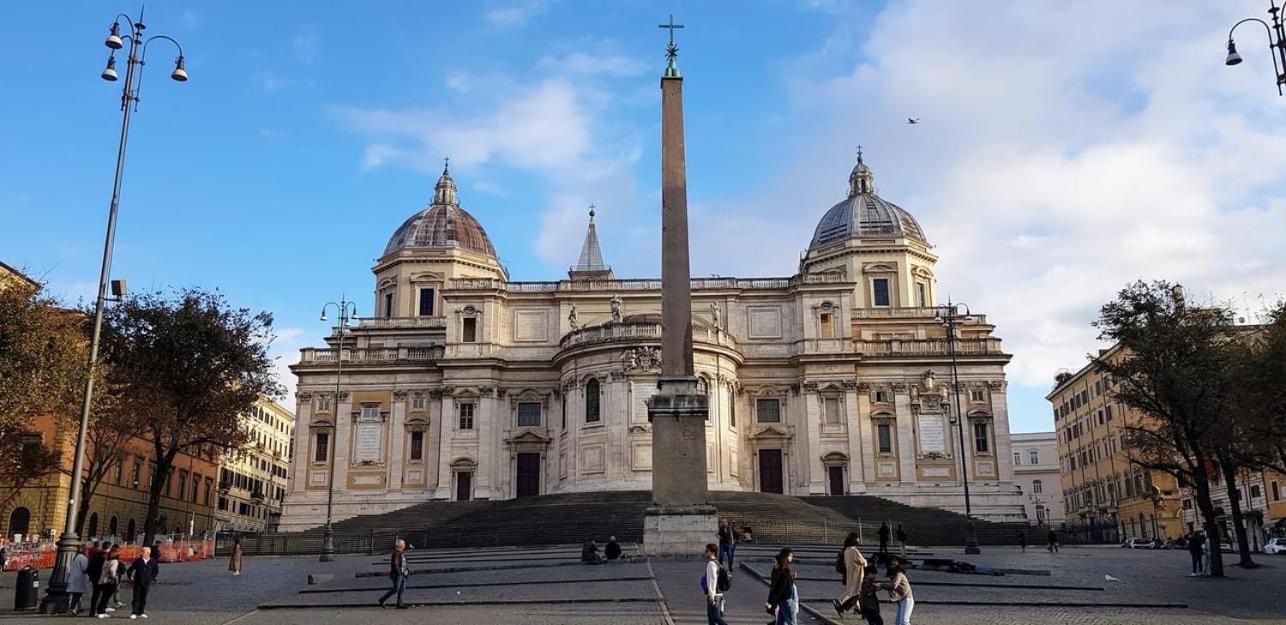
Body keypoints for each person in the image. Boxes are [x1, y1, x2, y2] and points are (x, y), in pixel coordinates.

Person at [833, 532, 868, 616]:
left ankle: (857, 608)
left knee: (854, 591)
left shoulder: (846, 551)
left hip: (850, 572)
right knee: (853, 591)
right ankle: (840, 600)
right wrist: (866, 563)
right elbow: (861, 561)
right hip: (857, 574)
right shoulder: (854, 550)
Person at [765, 547, 798, 625]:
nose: (792, 558)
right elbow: (778, 587)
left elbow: (779, 587)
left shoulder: (783, 571)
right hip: (785, 602)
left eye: (776, 562)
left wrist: (771, 602)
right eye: (791, 556)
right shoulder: (782, 571)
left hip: (784, 602)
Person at [127, 545, 160, 619]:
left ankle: (141, 612)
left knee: (143, 597)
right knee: (136, 597)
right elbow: (130, 569)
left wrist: (152, 578)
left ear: (148, 553)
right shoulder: (138, 561)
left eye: (143, 552)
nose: (141, 553)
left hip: (146, 582)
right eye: (141, 551)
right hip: (137, 581)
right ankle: (134, 612)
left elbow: (155, 571)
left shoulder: (153, 561)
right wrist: (130, 576)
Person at [701, 543, 729, 625]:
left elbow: (712, 580)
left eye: (707, 551)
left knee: (716, 618)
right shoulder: (717, 563)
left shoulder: (711, 564)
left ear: (712, 552)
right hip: (719, 594)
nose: (705, 553)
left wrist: (711, 596)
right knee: (712, 620)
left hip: (715, 595)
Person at [379, 539, 410, 609]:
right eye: (404, 544)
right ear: (401, 545)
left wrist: (406, 571)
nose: (405, 545)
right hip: (398, 574)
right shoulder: (396, 553)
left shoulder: (401, 553)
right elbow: (395, 564)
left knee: (402, 589)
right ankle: (382, 599)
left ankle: (400, 603)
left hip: (404, 574)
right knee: (396, 589)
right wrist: (399, 572)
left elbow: (404, 563)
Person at [93, 546, 121, 618]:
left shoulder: (106, 560)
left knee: (103, 597)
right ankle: (101, 612)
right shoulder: (115, 561)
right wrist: (114, 576)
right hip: (109, 581)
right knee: (106, 597)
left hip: (102, 580)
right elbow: (112, 570)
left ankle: (100, 611)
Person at [67, 544, 92, 616]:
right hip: (79, 578)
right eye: (86, 550)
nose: (87, 552)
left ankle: (75, 608)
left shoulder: (77, 556)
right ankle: (72, 608)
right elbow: (85, 568)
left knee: (77, 594)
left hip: (76, 577)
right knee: (77, 594)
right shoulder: (83, 558)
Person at [87, 541, 109, 616]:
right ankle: (101, 611)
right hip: (103, 579)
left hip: (95, 579)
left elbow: (89, 569)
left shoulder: (95, 557)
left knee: (95, 595)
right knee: (104, 595)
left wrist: (91, 577)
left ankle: (92, 611)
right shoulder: (106, 559)